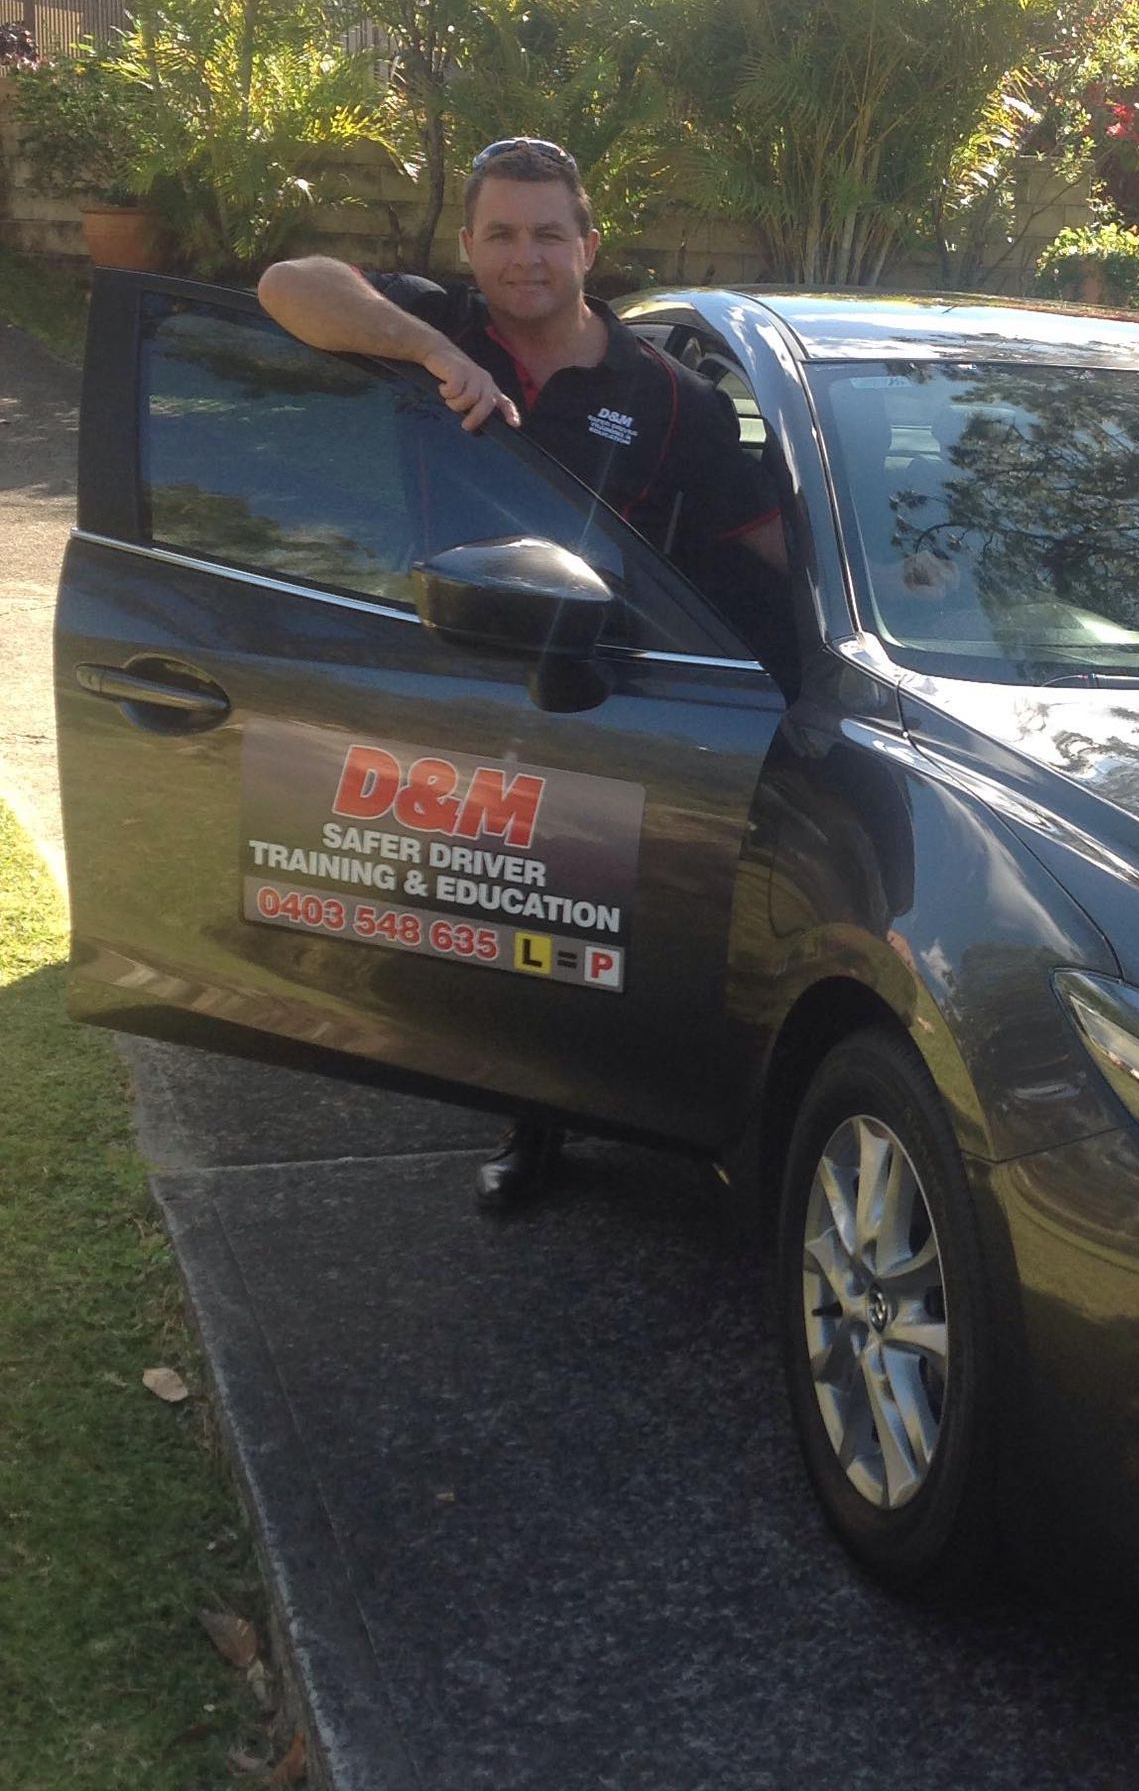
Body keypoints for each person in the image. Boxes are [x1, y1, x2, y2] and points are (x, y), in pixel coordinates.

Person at [259, 137, 790, 1213]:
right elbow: (285, 288)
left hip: (588, 684)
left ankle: (583, 1108)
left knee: (577, 923)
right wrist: (433, 355)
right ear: (469, 244)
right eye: (500, 233)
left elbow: (762, 527)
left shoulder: (668, 396)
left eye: (549, 233)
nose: (525, 256)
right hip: (452, 658)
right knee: (481, 919)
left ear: (589, 245)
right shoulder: (437, 326)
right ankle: (526, 1120)